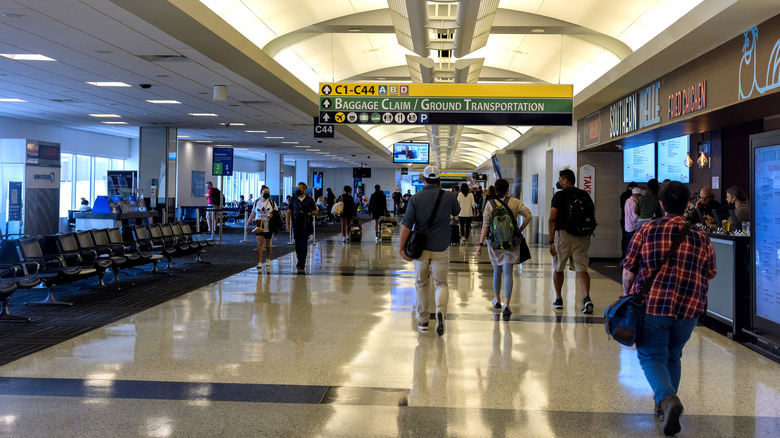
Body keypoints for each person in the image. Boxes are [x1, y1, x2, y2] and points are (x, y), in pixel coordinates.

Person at [621, 181, 716, 436]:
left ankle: (666, 399)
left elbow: (629, 267)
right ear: (687, 204)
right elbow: (711, 273)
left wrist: (625, 296)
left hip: (653, 305)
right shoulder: (700, 235)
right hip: (689, 309)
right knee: (673, 355)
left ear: (661, 204)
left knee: (651, 355)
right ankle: (663, 408)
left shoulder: (647, 229)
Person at [399, 165, 460, 336]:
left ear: (423, 180)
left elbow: (406, 225)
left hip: (420, 249)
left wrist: (401, 247)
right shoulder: (449, 196)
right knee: (441, 283)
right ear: (439, 180)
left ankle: (423, 321)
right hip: (441, 247)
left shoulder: (416, 198)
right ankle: (440, 311)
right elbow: (456, 212)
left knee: (421, 283)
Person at [475, 178, 532, 316]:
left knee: (497, 271)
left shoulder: (489, 204)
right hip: (512, 242)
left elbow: (485, 225)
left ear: (495, 190)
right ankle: (507, 304)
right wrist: (520, 229)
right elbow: (529, 215)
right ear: (508, 189)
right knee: (508, 273)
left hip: (495, 244)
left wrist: (480, 244)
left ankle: (497, 300)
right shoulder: (515, 202)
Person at [549, 169, 594, 314]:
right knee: (582, 268)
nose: (559, 182)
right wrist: (587, 234)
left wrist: (551, 240)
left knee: (558, 267)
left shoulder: (559, 195)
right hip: (581, 235)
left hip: (563, 235)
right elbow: (591, 215)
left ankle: (558, 299)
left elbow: (552, 218)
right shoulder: (584, 194)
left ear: (565, 180)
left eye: (560, 179)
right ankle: (586, 298)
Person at [246, 187, 279, 273]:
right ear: (261, 193)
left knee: (267, 243)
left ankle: (268, 258)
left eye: (268, 192)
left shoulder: (272, 202)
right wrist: (248, 223)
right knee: (260, 242)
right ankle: (259, 262)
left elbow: (276, 212)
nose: (266, 193)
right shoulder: (257, 202)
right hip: (258, 223)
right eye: (265, 192)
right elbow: (253, 213)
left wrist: (271, 215)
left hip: (268, 224)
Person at [291, 182, 317, 273]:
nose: (298, 190)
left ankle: (302, 262)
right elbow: (289, 211)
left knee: (303, 243)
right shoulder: (293, 199)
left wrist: (308, 213)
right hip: (296, 225)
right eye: (297, 188)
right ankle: (299, 259)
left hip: (306, 225)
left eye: (300, 188)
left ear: (304, 190)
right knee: (297, 244)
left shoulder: (309, 200)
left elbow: (315, 212)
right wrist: (287, 224)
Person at [620, 182, 638, 255]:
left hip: (624, 219)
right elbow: (634, 213)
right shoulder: (632, 199)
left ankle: (624, 256)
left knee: (625, 238)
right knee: (631, 239)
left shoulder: (623, 195)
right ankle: (628, 256)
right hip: (631, 221)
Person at [623, 187, 642, 255]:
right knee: (632, 244)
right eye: (639, 195)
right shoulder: (634, 202)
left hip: (628, 225)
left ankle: (625, 258)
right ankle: (629, 258)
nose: (640, 197)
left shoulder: (628, 200)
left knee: (627, 242)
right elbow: (635, 215)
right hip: (633, 225)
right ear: (636, 195)